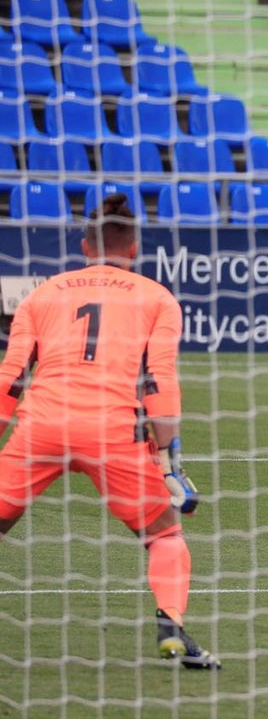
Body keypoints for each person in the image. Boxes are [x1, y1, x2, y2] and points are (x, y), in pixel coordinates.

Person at [0, 194, 221, 669]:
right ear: (135, 247)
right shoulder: (156, 297)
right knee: (165, 536)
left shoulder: (43, 293)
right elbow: (159, 383)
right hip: (112, 432)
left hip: (42, 426)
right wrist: (170, 460)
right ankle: (172, 629)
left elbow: (11, 377)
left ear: (84, 245)